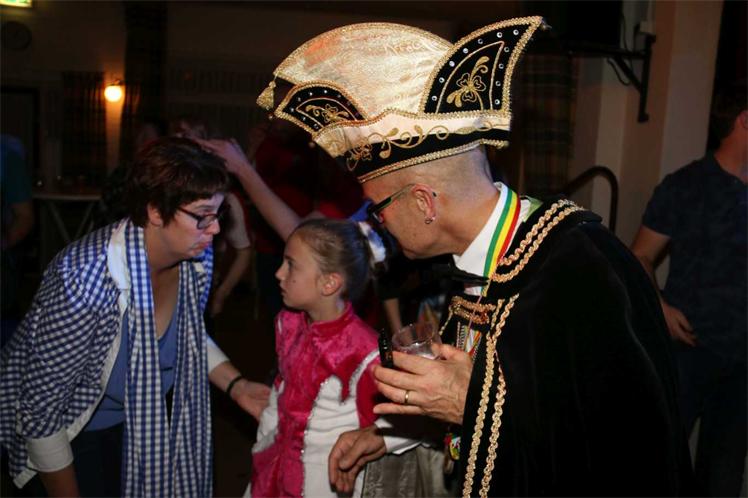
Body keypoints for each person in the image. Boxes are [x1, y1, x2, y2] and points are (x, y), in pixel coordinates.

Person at [252, 17, 695, 496]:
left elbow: (627, 448)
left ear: (423, 202)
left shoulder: (582, 269)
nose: (377, 223)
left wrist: (473, 402)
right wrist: (391, 435)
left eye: (379, 208)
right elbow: (487, 408)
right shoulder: (480, 265)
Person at [0, 137, 271, 497]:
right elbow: (40, 415)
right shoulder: (85, 280)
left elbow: (186, 335)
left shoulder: (196, 258)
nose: (216, 229)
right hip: (74, 426)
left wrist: (236, 385)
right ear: (155, 211)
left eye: (218, 214)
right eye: (202, 215)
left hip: (136, 416)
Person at [630, 82, 747, 497]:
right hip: (689, 349)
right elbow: (640, 256)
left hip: (742, 361)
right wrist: (659, 307)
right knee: (663, 464)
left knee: (724, 476)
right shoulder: (685, 185)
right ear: (744, 120)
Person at [247, 218, 388, 497]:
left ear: (329, 283)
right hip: (272, 470)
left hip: (324, 483)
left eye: (291, 265)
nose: (278, 273)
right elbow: (280, 388)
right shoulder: (288, 323)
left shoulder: (364, 353)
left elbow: (380, 428)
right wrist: (264, 439)